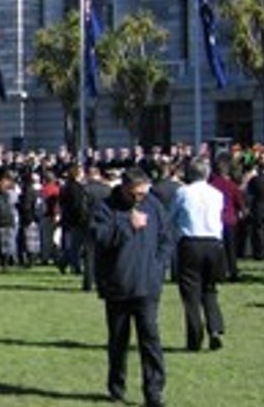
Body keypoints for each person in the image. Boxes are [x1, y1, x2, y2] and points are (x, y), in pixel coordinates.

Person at [91, 166, 170, 407]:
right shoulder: (105, 208)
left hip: (147, 285)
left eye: (143, 193)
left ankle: (154, 391)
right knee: (118, 340)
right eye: (136, 194)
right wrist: (127, 226)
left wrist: (159, 267)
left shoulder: (154, 206)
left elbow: (166, 238)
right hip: (117, 285)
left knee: (150, 340)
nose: (140, 198)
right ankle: (116, 386)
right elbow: (99, 238)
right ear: (124, 189)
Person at [169, 155, 227, 352]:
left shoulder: (183, 193)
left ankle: (195, 337)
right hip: (213, 242)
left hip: (191, 242)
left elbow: (172, 216)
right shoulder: (217, 194)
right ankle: (215, 328)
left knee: (191, 293)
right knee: (210, 289)